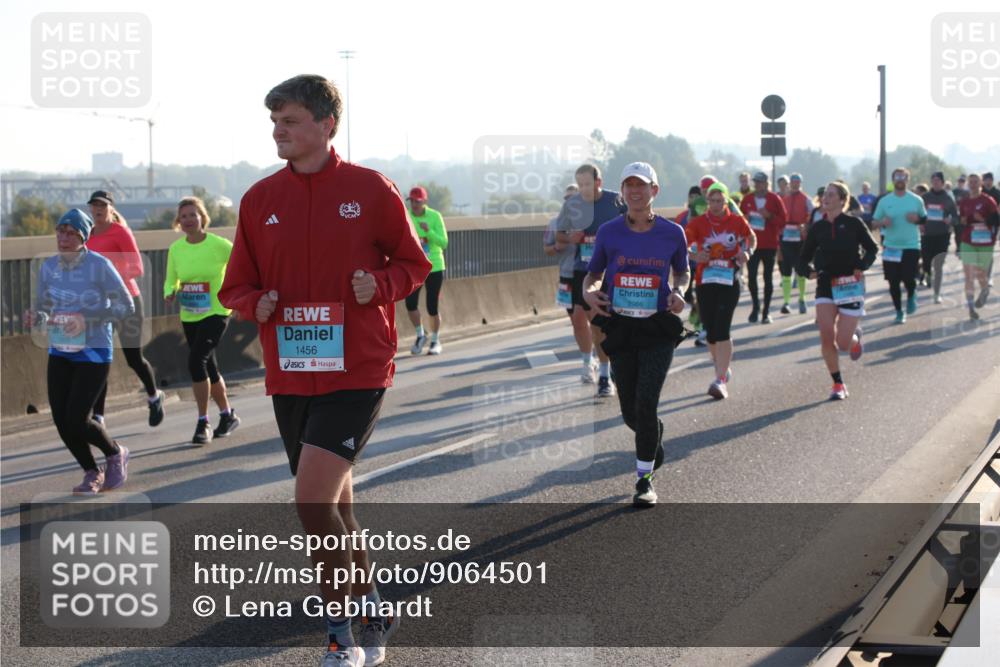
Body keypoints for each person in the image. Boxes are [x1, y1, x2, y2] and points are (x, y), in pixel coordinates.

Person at [218, 74, 431, 667]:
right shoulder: (260, 200)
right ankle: (374, 604)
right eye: (274, 123)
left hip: (358, 369)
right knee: (338, 511)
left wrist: (381, 285)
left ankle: (341, 634)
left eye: (289, 122)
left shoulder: (369, 189)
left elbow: (417, 263)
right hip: (291, 373)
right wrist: (250, 302)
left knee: (312, 504)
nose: (278, 132)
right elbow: (235, 283)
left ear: (325, 125)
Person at [582, 162, 689, 507]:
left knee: (646, 402)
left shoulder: (673, 233)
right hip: (622, 326)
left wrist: (680, 292)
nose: (635, 191)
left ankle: (644, 480)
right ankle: (652, 434)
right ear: (623, 192)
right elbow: (593, 275)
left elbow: (683, 273)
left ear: (654, 191)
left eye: (641, 186)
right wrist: (589, 292)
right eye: (628, 186)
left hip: (657, 327)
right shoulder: (610, 232)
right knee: (631, 410)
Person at [25, 209, 134, 493]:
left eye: (72, 233)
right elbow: (45, 307)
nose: (64, 237)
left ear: (83, 237)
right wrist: (37, 318)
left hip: (94, 351)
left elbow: (126, 305)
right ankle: (91, 471)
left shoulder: (100, 265)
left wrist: (89, 318)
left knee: (77, 418)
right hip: (60, 350)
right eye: (61, 231)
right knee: (61, 420)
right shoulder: (49, 267)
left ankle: (115, 453)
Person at [163, 196, 240, 445]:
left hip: (217, 310)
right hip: (190, 313)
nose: (187, 220)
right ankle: (227, 415)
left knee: (196, 361)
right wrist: (169, 292)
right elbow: (171, 278)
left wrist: (240, 294)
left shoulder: (220, 245)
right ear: (178, 221)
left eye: (192, 215)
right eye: (183, 216)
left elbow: (242, 265)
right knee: (208, 366)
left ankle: (202, 421)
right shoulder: (176, 249)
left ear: (202, 217)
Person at [85, 190, 165, 427]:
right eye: (94, 205)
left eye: (102, 205)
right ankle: (99, 416)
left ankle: (153, 395)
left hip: (127, 302)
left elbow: (137, 267)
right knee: (100, 359)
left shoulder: (120, 232)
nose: (98, 209)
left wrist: (110, 280)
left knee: (133, 358)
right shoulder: (87, 234)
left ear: (111, 208)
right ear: (90, 209)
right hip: (99, 306)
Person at [798, 183, 878, 400]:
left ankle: (853, 339)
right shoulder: (818, 227)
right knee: (826, 336)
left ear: (843, 200)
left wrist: (861, 266)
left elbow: (872, 248)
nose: (826, 198)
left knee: (842, 343)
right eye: (824, 194)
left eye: (831, 195)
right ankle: (838, 384)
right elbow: (803, 257)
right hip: (825, 283)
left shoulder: (853, 224)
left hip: (850, 284)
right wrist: (808, 271)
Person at [556, 164, 627, 396]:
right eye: (580, 185)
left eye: (587, 184)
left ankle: (614, 365)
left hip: (614, 272)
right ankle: (605, 376)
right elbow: (558, 235)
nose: (584, 189)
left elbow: (635, 225)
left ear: (598, 182)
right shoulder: (572, 205)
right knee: (596, 324)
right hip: (584, 272)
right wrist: (570, 237)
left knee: (614, 323)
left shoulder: (616, 201)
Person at [686, 182, 756, 399]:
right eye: (712, 201)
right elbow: (684, 244)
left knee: (722, 327)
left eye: (720, 201)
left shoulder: (736, 221)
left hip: (730, 281)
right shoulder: (698, 223)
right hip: (705, 282)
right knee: (710, 331)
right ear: (707, 201)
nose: (716, 205)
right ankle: (722, 367)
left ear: (727, 202)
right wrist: (694, 255)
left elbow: (751, 238)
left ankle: (720, 379)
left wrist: (747, 252)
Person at [544, 184, 593, 379]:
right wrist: (558, 245)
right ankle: (588, 359)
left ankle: (599, 360)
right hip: (567, 276)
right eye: (567, 199)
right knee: (576, 321)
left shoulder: (590, 222)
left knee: (594, 320)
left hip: (589, 276)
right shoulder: (555, 223)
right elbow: (547, 249)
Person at [872, 168, 927, 324]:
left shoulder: (916, 200)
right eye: (897, 177)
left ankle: (911, 294)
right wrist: (882, 222)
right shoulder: (884, 201)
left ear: (907, 180)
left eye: (903, 177)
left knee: (909, 277)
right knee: (893, 281)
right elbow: (874, 222)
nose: (900, 180)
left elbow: (924, 219)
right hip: (891, 247)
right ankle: (898, 311)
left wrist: (916, 219)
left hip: (911, 245)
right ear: (893, 180)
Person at [404, 186, 448, 356]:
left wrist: (428, 231)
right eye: (412, 201)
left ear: (425, 202)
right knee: (410, 303)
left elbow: (444, 243)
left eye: (418, 201)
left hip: (434, 266)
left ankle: (436, 340)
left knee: (432, 307)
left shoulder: (435, 216)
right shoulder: (407, 215)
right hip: (415, 267)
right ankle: (420, 335)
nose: (414, 204)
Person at [739, 172, 786, 324]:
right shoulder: (747, 199)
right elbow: (739, 220)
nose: (757, 185)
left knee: (768, 278)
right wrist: (745, 220)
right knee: (751, 277)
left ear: (766, 183)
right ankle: (756, 307)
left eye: (760, 182)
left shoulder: (774, 199)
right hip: (752, 245)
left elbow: (783, 221)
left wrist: (770, 216)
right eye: (756, 182)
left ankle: (766, 312)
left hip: (770, 245)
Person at [957, 174, 1000, 320]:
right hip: (968, 240)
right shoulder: (964, 202)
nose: (973, 184)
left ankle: (985, 289)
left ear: (980, 183)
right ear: (968, 184)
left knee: (981, 273)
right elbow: (962, 220)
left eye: (976, 182)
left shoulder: (988, 200)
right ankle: (971, 308)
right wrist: (962, 221)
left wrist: (984, 220)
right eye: (971, 182)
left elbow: (996, 220)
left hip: (985, 241)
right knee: (969, 275)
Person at [921, 171, 960, 303]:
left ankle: (937, 294)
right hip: (927, 235)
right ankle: (927, 273)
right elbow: (919, 214)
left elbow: (956, 218)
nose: (936, 182)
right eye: (934, 180)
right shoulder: (925, 197)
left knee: (938, 265)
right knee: (926, 262)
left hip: (942, 235)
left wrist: (951, 221)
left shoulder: (948, 199)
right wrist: (920, 223)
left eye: (938, 180)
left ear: (943, 183)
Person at [778, 173, 813, 314]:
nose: (795, 184)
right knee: (786, 271)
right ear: (790, 183)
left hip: (800, 238)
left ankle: (802, 299)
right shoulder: (783, 199)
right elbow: (778, 216)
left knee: (800, 270)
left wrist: (805, 225)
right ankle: (786, 303)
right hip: (785, 237)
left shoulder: (806, 199)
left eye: (797, 182)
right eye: (793, 182)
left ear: (801, 183)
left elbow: (812, 215)